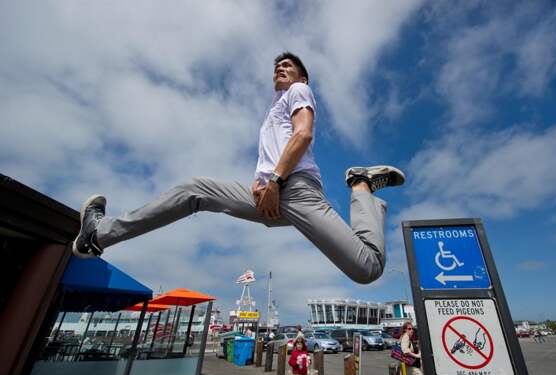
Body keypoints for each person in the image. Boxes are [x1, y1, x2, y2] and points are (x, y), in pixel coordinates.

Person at [72, 52, 406, 286]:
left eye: (288, 66)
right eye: (277, 66)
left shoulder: (300, 90)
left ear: (302, 76)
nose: (280, 68)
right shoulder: (272, 113)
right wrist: (262, 182)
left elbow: (304, 134)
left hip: (295, 191)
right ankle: (98, 234)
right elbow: (276, 153)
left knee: (367, 268)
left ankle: (361, 183)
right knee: (196, 190)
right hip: (269, 197)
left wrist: (275, 180)